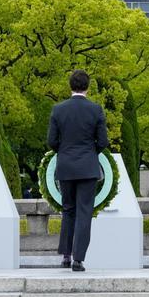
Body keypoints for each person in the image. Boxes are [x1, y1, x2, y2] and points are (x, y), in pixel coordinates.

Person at [47, 70, 109, 272]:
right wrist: (91, 153)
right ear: (87, 87)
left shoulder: (58, 110)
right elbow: (103, 142)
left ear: (70, 86)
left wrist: (64, 152)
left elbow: (51, 142)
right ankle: (78, 259)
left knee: (68, 210)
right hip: (87, 167)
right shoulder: (96, 110)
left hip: (65, 165)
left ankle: (66, 255)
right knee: (84, 212)